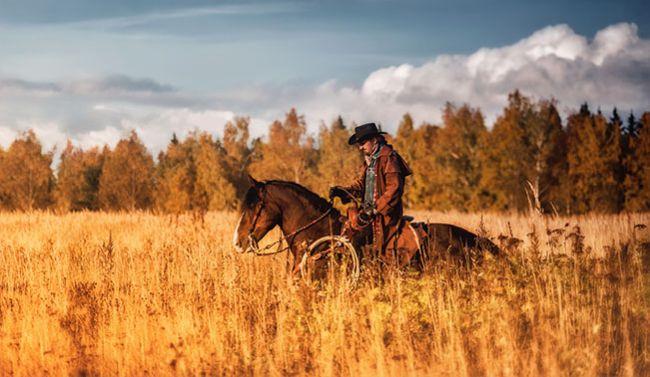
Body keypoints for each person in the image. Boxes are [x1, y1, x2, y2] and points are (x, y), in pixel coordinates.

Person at [329, 122, 412, 255]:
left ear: (374, 140)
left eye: (363, 143)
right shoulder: (371, 161)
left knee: (356, 240)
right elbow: (361, 186)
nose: (360, 147)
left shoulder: (389, 158)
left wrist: (374, 209)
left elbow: (394, 189)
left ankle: (361, 274)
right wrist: (342, 191)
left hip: (386, 215)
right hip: (368, 213)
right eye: (359, 144)